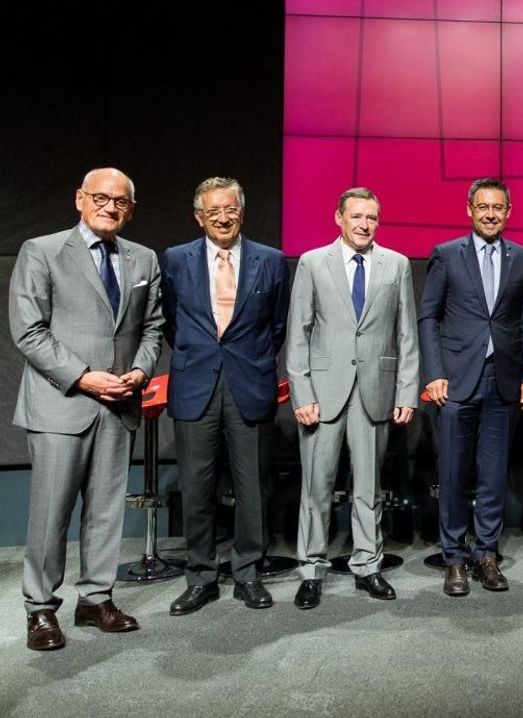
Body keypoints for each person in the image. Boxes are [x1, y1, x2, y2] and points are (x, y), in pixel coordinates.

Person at [10, 167, 164, 650]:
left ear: (131, 209)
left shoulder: (143, 259)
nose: (109, 206)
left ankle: (96, 599)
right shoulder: (43, 250)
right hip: (63, 403)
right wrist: (82, 376)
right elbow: (30, 331)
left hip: (119, 405)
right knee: (50, 514)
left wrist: (139, 373)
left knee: (104, 512)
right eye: (100, 197)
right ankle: (40, 609)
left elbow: (152, 328)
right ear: (80, 199)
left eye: (120, 200)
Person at [286, 187, 419, 609]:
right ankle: (311, 570)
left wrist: (407, 390)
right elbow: (298, 334)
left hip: (374, 392)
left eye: (372, 218)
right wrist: (301, 392)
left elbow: (406, 335)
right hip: (323, 395)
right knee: (316, 488)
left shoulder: (396, 265)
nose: (365, 224)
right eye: (357, 216)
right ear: (339, 218)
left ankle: (368, 566)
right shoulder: (312, 262)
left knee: (369, 488)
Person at [161, 177, 289, 614]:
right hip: (195, 383)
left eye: (230, 208)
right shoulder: (175, 259)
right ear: (199, 216)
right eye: (213, 210)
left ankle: (248, 572)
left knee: (252, 484)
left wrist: (247, 360)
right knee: (196, 486)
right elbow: (171, 323)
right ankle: (200, 575)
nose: (222, 216)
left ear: (242, 211)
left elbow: (277, 326)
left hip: (249, 383)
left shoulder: (270, 261)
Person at [419, 177, 523, 596]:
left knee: (493, 475)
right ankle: (454, 558)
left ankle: (486, 555)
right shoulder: (446, 255)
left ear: (509, 211)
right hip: (455, 380)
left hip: (503, 379)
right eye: (483, 206)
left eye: (498, 207)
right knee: (453, 473)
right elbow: (429, 318)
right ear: (469, 210)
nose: (490, 213)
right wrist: (434, 372)